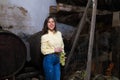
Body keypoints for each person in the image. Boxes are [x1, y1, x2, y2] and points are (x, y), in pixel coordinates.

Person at [41, 16, 65, 80]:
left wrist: (62, 58)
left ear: (55, 23)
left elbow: (62, 46)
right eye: (49, 22)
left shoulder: (59, 33)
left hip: (57, 59)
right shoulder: (44, 36)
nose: (51, 24)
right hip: (49, 59)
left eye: (52, 21)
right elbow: (43, 50)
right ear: (46, 24)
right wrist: (54, 50)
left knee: (57, 78)